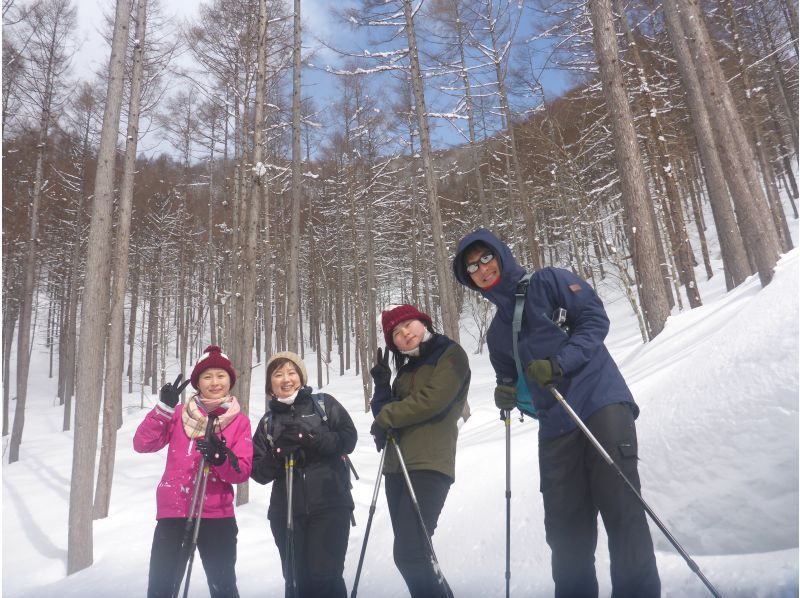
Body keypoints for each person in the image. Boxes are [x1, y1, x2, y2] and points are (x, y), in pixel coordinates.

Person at [452, 228, 661, 598]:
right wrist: (505, 393)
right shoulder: (498, 331)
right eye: (471, 267)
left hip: (600, 401)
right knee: (565, 531)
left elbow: (595, 318)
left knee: (622, 510)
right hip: (554, 424)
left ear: (501, 254)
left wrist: (561, 362)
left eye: (486, 257)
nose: (482, 268)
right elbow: (509, 376)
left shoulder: (549, 281)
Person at [134, 345, 253, 598]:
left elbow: (241, 471)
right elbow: (142, 444)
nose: (214, 382)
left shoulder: (239, 421)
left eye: (221, 376)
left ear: (229, 380)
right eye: (207, 376)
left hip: (217, 515)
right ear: (197, 382)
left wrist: (220, 457)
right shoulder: (178, 414)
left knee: (224, 590)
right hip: (174, 511)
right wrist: (163, 411)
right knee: (161, 589)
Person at [369, 304, 471, 598]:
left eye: (408, 325)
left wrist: (387, 417)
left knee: (410, 552)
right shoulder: (406, 370)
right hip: (396, 465)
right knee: (415, 553)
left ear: (422, 321)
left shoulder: (450, 354)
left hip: (429, 462)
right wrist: (381, 385)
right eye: (397, 334)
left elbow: (433, 400)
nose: (405, 335)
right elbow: (383, 412)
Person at [251, 351, 357, 598]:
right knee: (297, 583)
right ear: (270, 384)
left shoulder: (324, 405)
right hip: (285, 512)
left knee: (326, 578)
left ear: (301, 376)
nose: (286, 379)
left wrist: (312, 438)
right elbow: (258, 472)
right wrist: (277, 453)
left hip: (330, 505)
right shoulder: (267, 422)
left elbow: (348, 439)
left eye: (291, 372)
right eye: (278, 374)